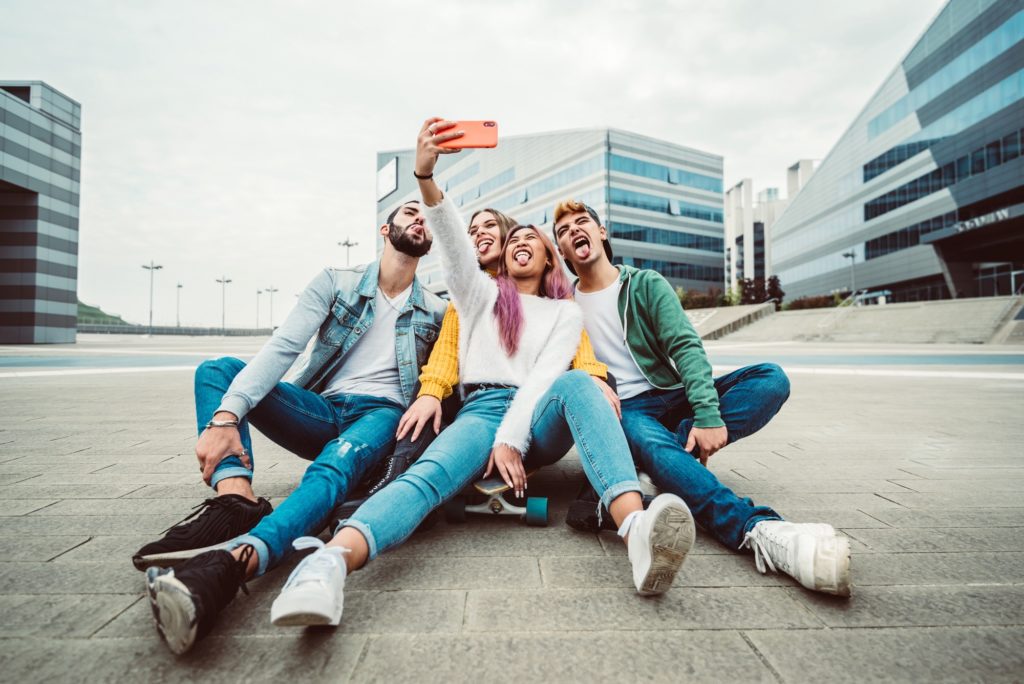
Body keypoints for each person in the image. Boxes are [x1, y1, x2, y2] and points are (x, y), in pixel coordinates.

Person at [262, 119, 696, 631]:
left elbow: (545, 381)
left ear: (549, 259)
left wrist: (515, 438)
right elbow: (450, 242)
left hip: (538, 417)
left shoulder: (564, 314)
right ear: (503, 259)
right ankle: (330, 563)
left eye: (533, 240)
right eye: (515, 240)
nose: (520, 244)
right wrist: (425, 177)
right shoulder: (479, 295)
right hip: (481, 410)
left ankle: (636, 532)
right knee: (427, 478)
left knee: (579, 384)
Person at [142, 201, 447, 654]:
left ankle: (239, 559)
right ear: (386, 228)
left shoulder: (436, 311)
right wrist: (227, 416)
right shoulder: (336, 283)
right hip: (319, 409)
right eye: (409, 211)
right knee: (217, 369)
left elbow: (448, 377)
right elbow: (284, 347)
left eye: (427, 215)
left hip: (380, 417)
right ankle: (236, 499)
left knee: (331, 473)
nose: (420, 218)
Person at [551, 198, 852, 597]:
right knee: (645, 437)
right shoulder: (564, 306)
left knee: (770, 379)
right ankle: (757, 529)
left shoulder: (643, 284)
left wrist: (708, 416)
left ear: (601, 232)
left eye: (581, 222)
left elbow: (686, 346)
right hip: (626, 409)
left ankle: (662, 464)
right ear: (562, 251)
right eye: (562, 232)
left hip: (674, 397)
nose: (573, 231)